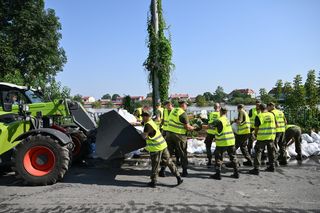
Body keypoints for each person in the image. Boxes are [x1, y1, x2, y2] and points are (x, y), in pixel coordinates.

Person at [141, 110, 183, 188]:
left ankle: (153, 182)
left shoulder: (147, 126)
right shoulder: (151, 122)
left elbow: (144, 136)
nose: (142, 118)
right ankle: (179, 177)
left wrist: (140, 134)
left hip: (156, 148)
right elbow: (146, 126)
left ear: (147, 117)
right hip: (163, 145)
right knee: (169, 162)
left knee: (155, 165)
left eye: (143, 116)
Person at [166, 100, 195, 177]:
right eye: (186, 105)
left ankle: (162, 169)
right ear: (183, 105)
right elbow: (187, 127)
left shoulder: (173, 110)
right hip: (179, 135)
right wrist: (194, 128)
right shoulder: (183, 113)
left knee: (169, 153)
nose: (187, 106)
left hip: (169, 134)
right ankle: (184, 171)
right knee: (183, 153)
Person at [210, 107, 239, 180]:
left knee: (218, 158)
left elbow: (209, 126)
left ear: (220, 111)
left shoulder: (219, 120)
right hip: (231, 141)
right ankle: (236, 173)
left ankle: (218, 174)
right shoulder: (227, 119)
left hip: (222, 142)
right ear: (226, 112)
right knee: (233, 157)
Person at [249, 104, 276, 175]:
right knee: (271, 152)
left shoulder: (259, 116)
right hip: (271, 136)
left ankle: (256, 169)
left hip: (262, 137)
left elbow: (256, 128)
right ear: (266, 108)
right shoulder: (272, 115)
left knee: (258, 152)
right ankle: (272, 166)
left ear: (259, 109)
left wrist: (255, 135)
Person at [159, 100, 180, 177]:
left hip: (176, 133)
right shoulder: (165, 111)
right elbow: (164, 121)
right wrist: (163, 130)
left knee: (177, 150)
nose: (165, 106)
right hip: (168, 133)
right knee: (168, 153)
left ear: (170, 104)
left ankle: (178, 163)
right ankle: (163, 169)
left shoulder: (176, 111)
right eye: (165, 105)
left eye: (167, 105)